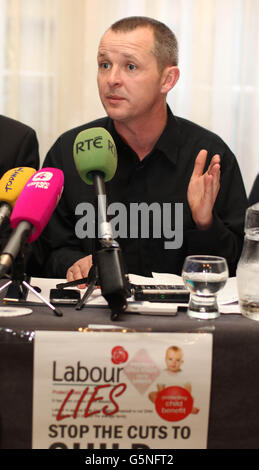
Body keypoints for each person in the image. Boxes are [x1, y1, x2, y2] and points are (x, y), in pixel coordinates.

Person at [41, 16, 247, 283]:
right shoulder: (69, 151)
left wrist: (205, 224)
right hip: (89, 316)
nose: (112, 79)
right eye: (104, 65)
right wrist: (72, 263)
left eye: (130, 66)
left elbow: (241, 266)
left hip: (183, 320)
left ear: (167, 79)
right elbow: (44, 252)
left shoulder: (208, 157)